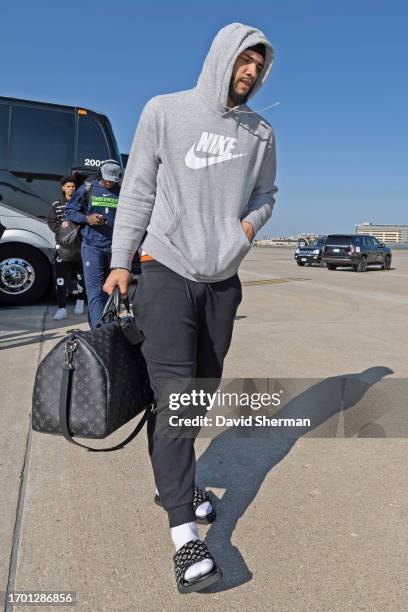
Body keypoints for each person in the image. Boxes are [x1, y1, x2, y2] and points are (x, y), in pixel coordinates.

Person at [104, 22, 277, 593]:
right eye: (241, 62)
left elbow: (265, 194)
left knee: (194, 396)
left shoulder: (261, 134)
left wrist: (245, 229)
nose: (248, 73)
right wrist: (120, 260)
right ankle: (185, 537)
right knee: (176, 394)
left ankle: (175, 482)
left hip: (223, 280)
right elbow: (138, 189)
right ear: (220, 60)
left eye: (258, 66)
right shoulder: (165, 111)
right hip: (165, 268)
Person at [65, 160, 122, 328]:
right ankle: (101, 333)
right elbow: (70, 211)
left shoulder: (123, 191)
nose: (110, 182)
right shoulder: (87, 188)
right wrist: (87, 219)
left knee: (111, 290)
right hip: (92, 247)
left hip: (115, 248)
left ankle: (104, 327)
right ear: (99, 175)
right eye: (106, 179)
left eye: (113, 180)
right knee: (96, 291)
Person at [47, 176, 85, 320]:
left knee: (82, 277)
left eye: (73, 186)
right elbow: (51, 222)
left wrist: (77, 232)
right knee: (62, 279)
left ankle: (80, 301)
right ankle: (61, 308)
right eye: (68, 186)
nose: (71, 188)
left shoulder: (82, 203)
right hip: (63, 248)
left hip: (80, 247)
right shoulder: (56, 204)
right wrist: (64, 232)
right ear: (63, 188)